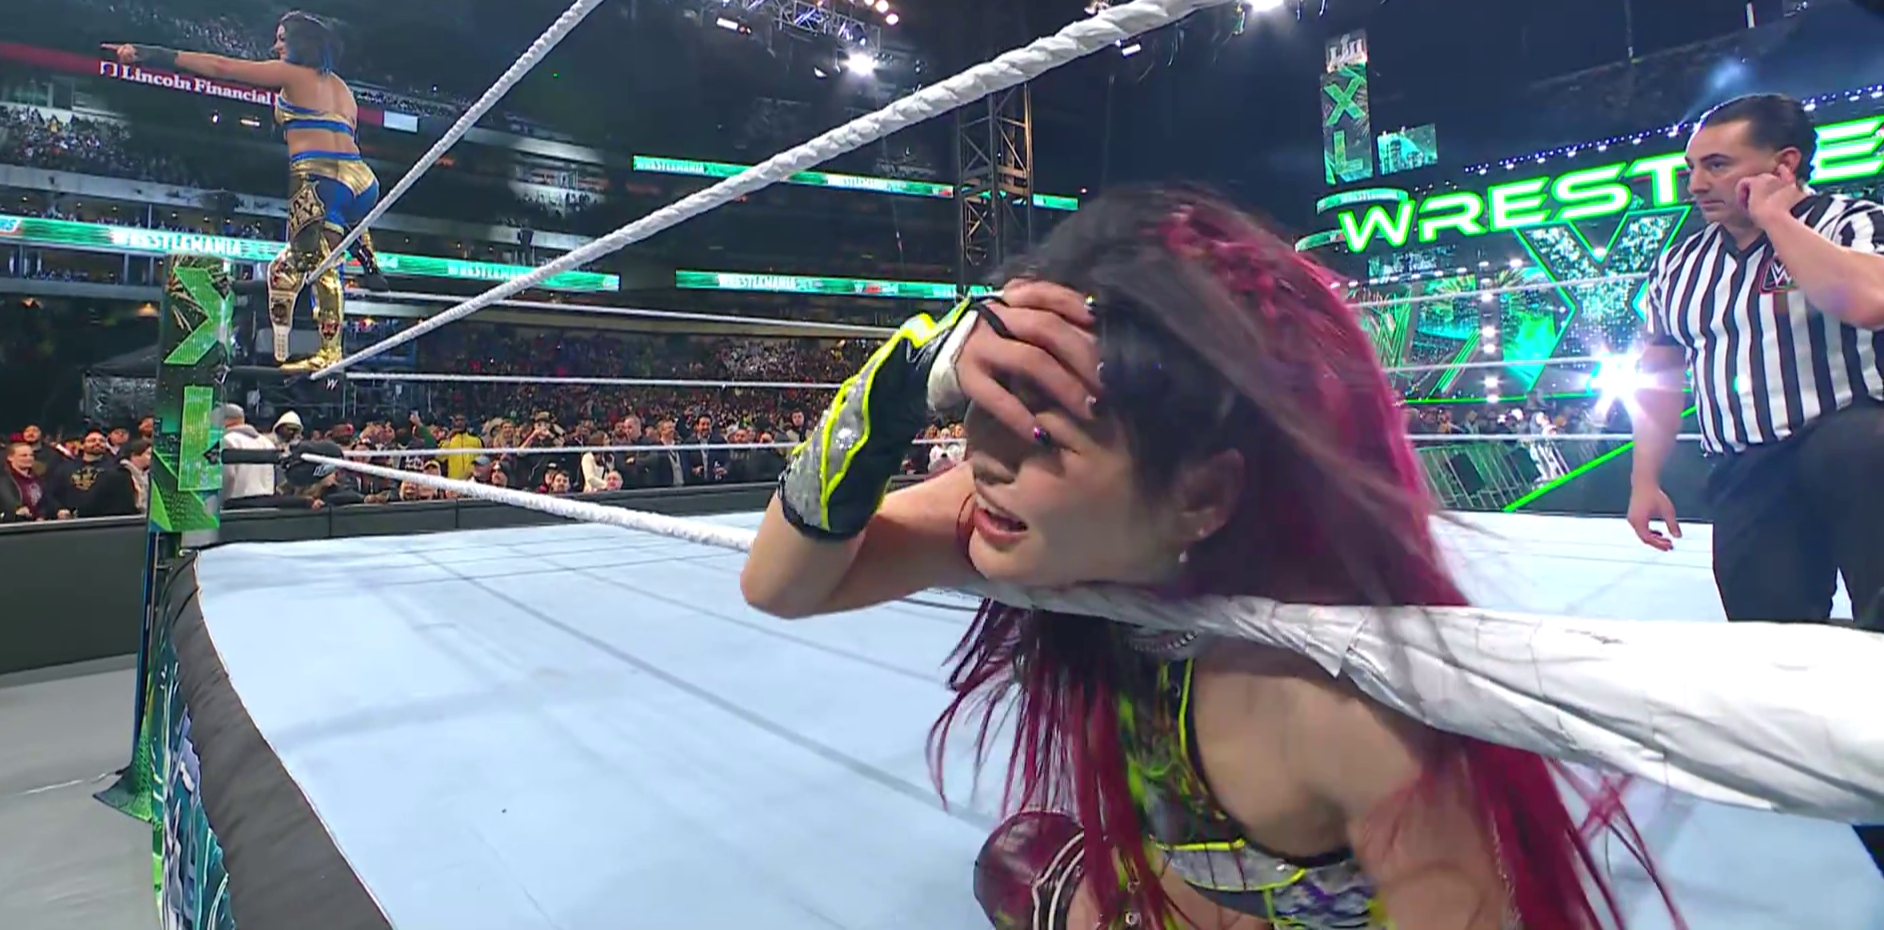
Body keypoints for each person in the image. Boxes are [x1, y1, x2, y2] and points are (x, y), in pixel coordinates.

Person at [743, 188, 1674, 930]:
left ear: (1201, 495)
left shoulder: (1336, 702)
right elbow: (780, 584)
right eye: (983, 407)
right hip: (1176, 898)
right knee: (1018, 860)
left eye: (1040, 431)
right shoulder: (1013, 515)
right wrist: (898, 384)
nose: (981, 457)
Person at [1628, 92, 1884, 873]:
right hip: (1744, 467)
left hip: (1853, 447)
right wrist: (1646, 477)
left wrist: (1777, 218)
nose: (1696, 184)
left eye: (1717, 165)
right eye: (1691, 168)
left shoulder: (1850, 222)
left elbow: (1866, 302)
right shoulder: (1681, 264)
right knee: (1772, 658)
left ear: (1784, 163)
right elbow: (1660, 371)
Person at [102, 12, 389, 374]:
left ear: (300, 42)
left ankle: (330, 351)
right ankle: (368, 260)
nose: (276, 45)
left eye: (282, 38)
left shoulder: (292, 74)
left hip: (318, 177)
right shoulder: (343, 89)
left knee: (321, 265)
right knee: (314, 248)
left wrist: (149, 54)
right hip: (363, 181)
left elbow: (222, 67)